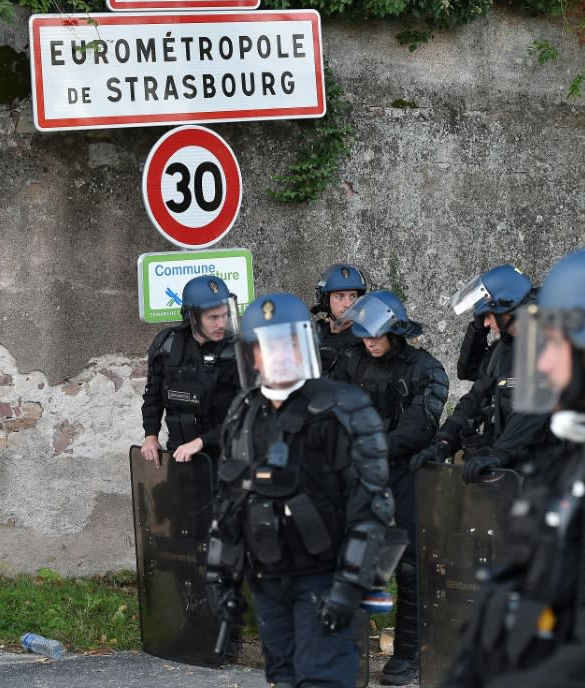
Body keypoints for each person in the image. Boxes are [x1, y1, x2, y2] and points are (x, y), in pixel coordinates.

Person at [205, 292, 407, 688]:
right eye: (264, 348)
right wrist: (220, 578)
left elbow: (372, 505)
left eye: (285, 346)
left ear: (303, 347)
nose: (275, 357)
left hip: (323, 578)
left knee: (322, 678)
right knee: (283, 676)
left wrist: (350, 586)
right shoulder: (244, 412)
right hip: (267, 577)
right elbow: (229, 502)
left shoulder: (342, 407)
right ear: (252, 355)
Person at [442, 245, 585, 688]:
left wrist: (499, 454)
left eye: (558, 349)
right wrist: (447, 438)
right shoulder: (563, 478)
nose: (543, 364)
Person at [334, 289, 450, 686]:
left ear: (395, 330)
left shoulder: (426, 369)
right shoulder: (350, 360)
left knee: (411, 567)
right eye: (363, 334)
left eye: (376, 335)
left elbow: (418, 427)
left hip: (404, 475)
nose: (368, 341)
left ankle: (410, 653)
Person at [411, 264, 555, 485]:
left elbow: (531, 413)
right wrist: (443, 442)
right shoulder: (502, 350)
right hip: (508, 476)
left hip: (546, 479)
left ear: (508, 309)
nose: (486, 323)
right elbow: (475, 399)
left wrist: (498, 454)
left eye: (488, 315)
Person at [140, 274, 240, 466]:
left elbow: (244, 414)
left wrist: (201, 442)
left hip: (224, 459)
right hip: (178, 454)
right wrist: (150, 435)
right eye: (213, 317)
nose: (221, 323)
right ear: (193, 317)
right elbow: (153, 395)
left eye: (224, 315)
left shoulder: (234, 352)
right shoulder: (167, 345)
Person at [310, 263, 368, 378]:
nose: (348, 304)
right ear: (326, 300)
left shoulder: (368, 339)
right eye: (339, 296)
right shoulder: (315, 334)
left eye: (353, 296)